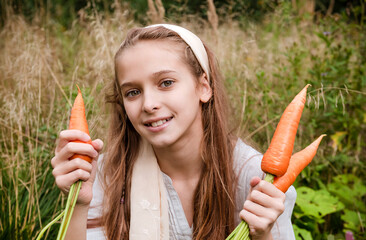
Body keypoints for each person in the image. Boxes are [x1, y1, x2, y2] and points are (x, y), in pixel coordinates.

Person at [51, 24, 297, 240]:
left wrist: (262, 234)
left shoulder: (254, 178)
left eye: (166, 83)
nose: (149, 104)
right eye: (133, 92)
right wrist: (79, 203)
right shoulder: (105, 175)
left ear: (203, 87)